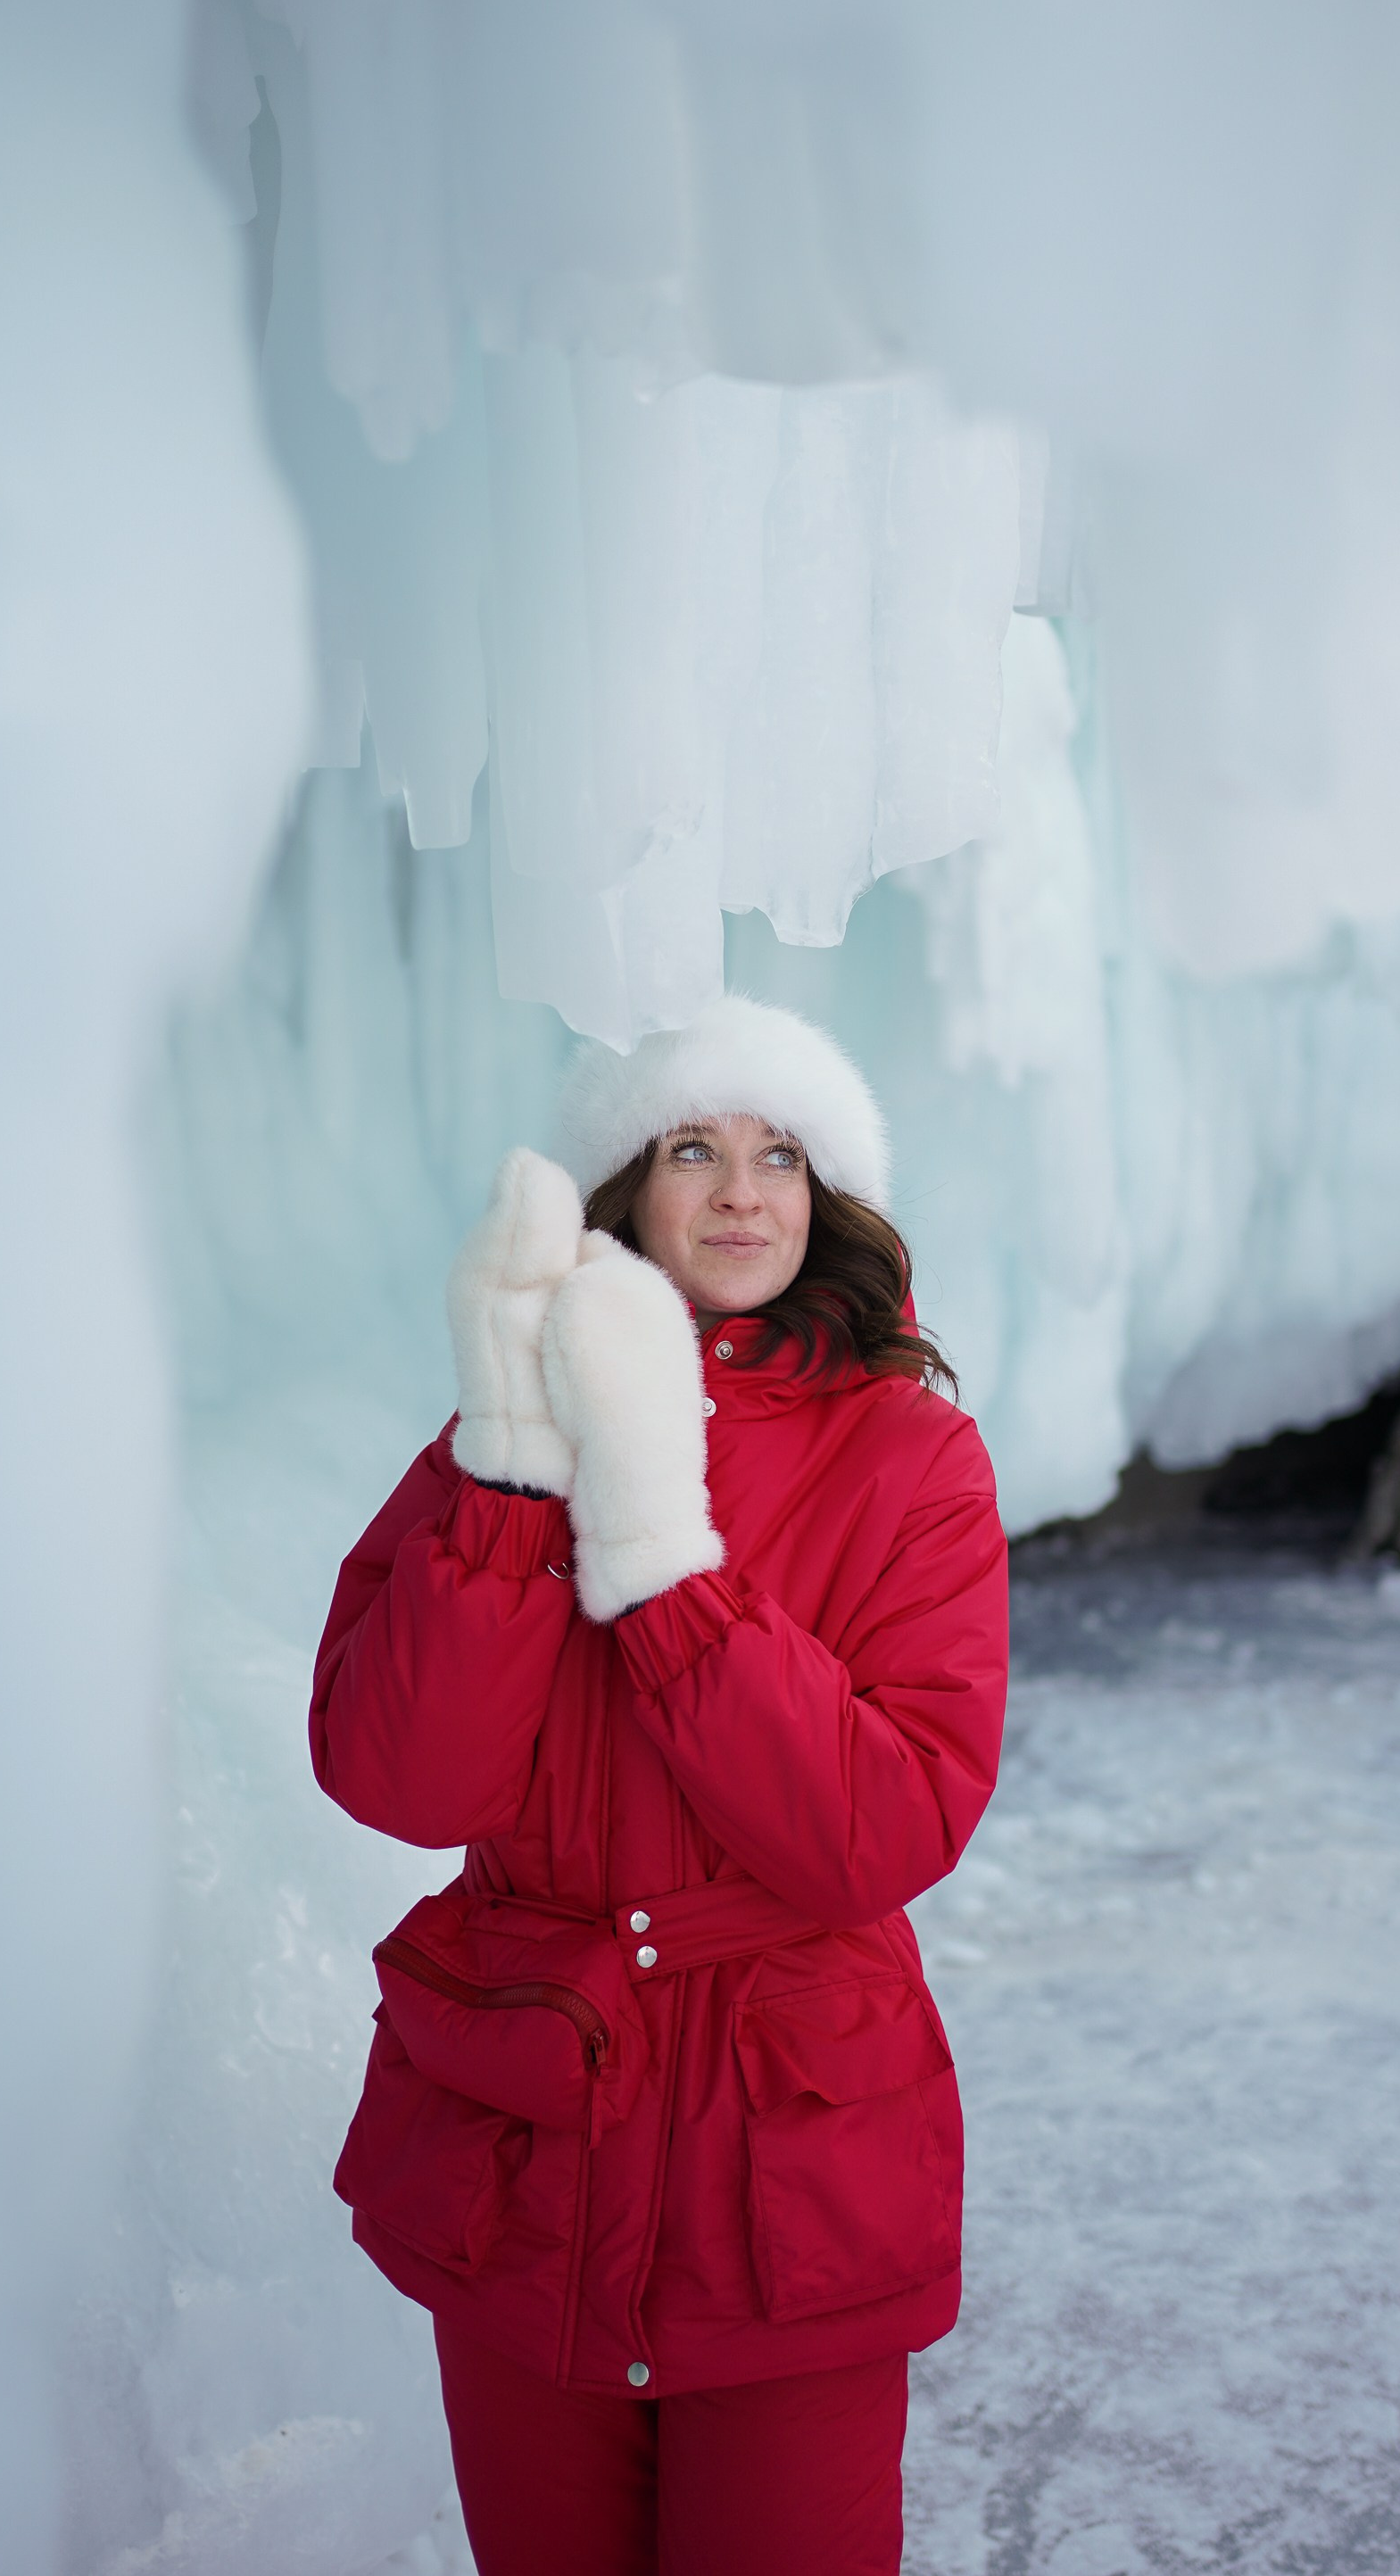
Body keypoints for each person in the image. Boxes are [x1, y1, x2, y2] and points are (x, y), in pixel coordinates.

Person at [311, 994, 1008, 2576]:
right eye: (694, 1147)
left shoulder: (911, 1460)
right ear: (627, 1187)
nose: (742, 1193)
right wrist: (514, 1465)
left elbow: (885, 1826)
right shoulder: (489, 1446)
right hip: (533, 2164)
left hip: (785, 2180)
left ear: (829, 1197)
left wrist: (663, 1560)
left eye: (781, 1154)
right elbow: (400, 1777)